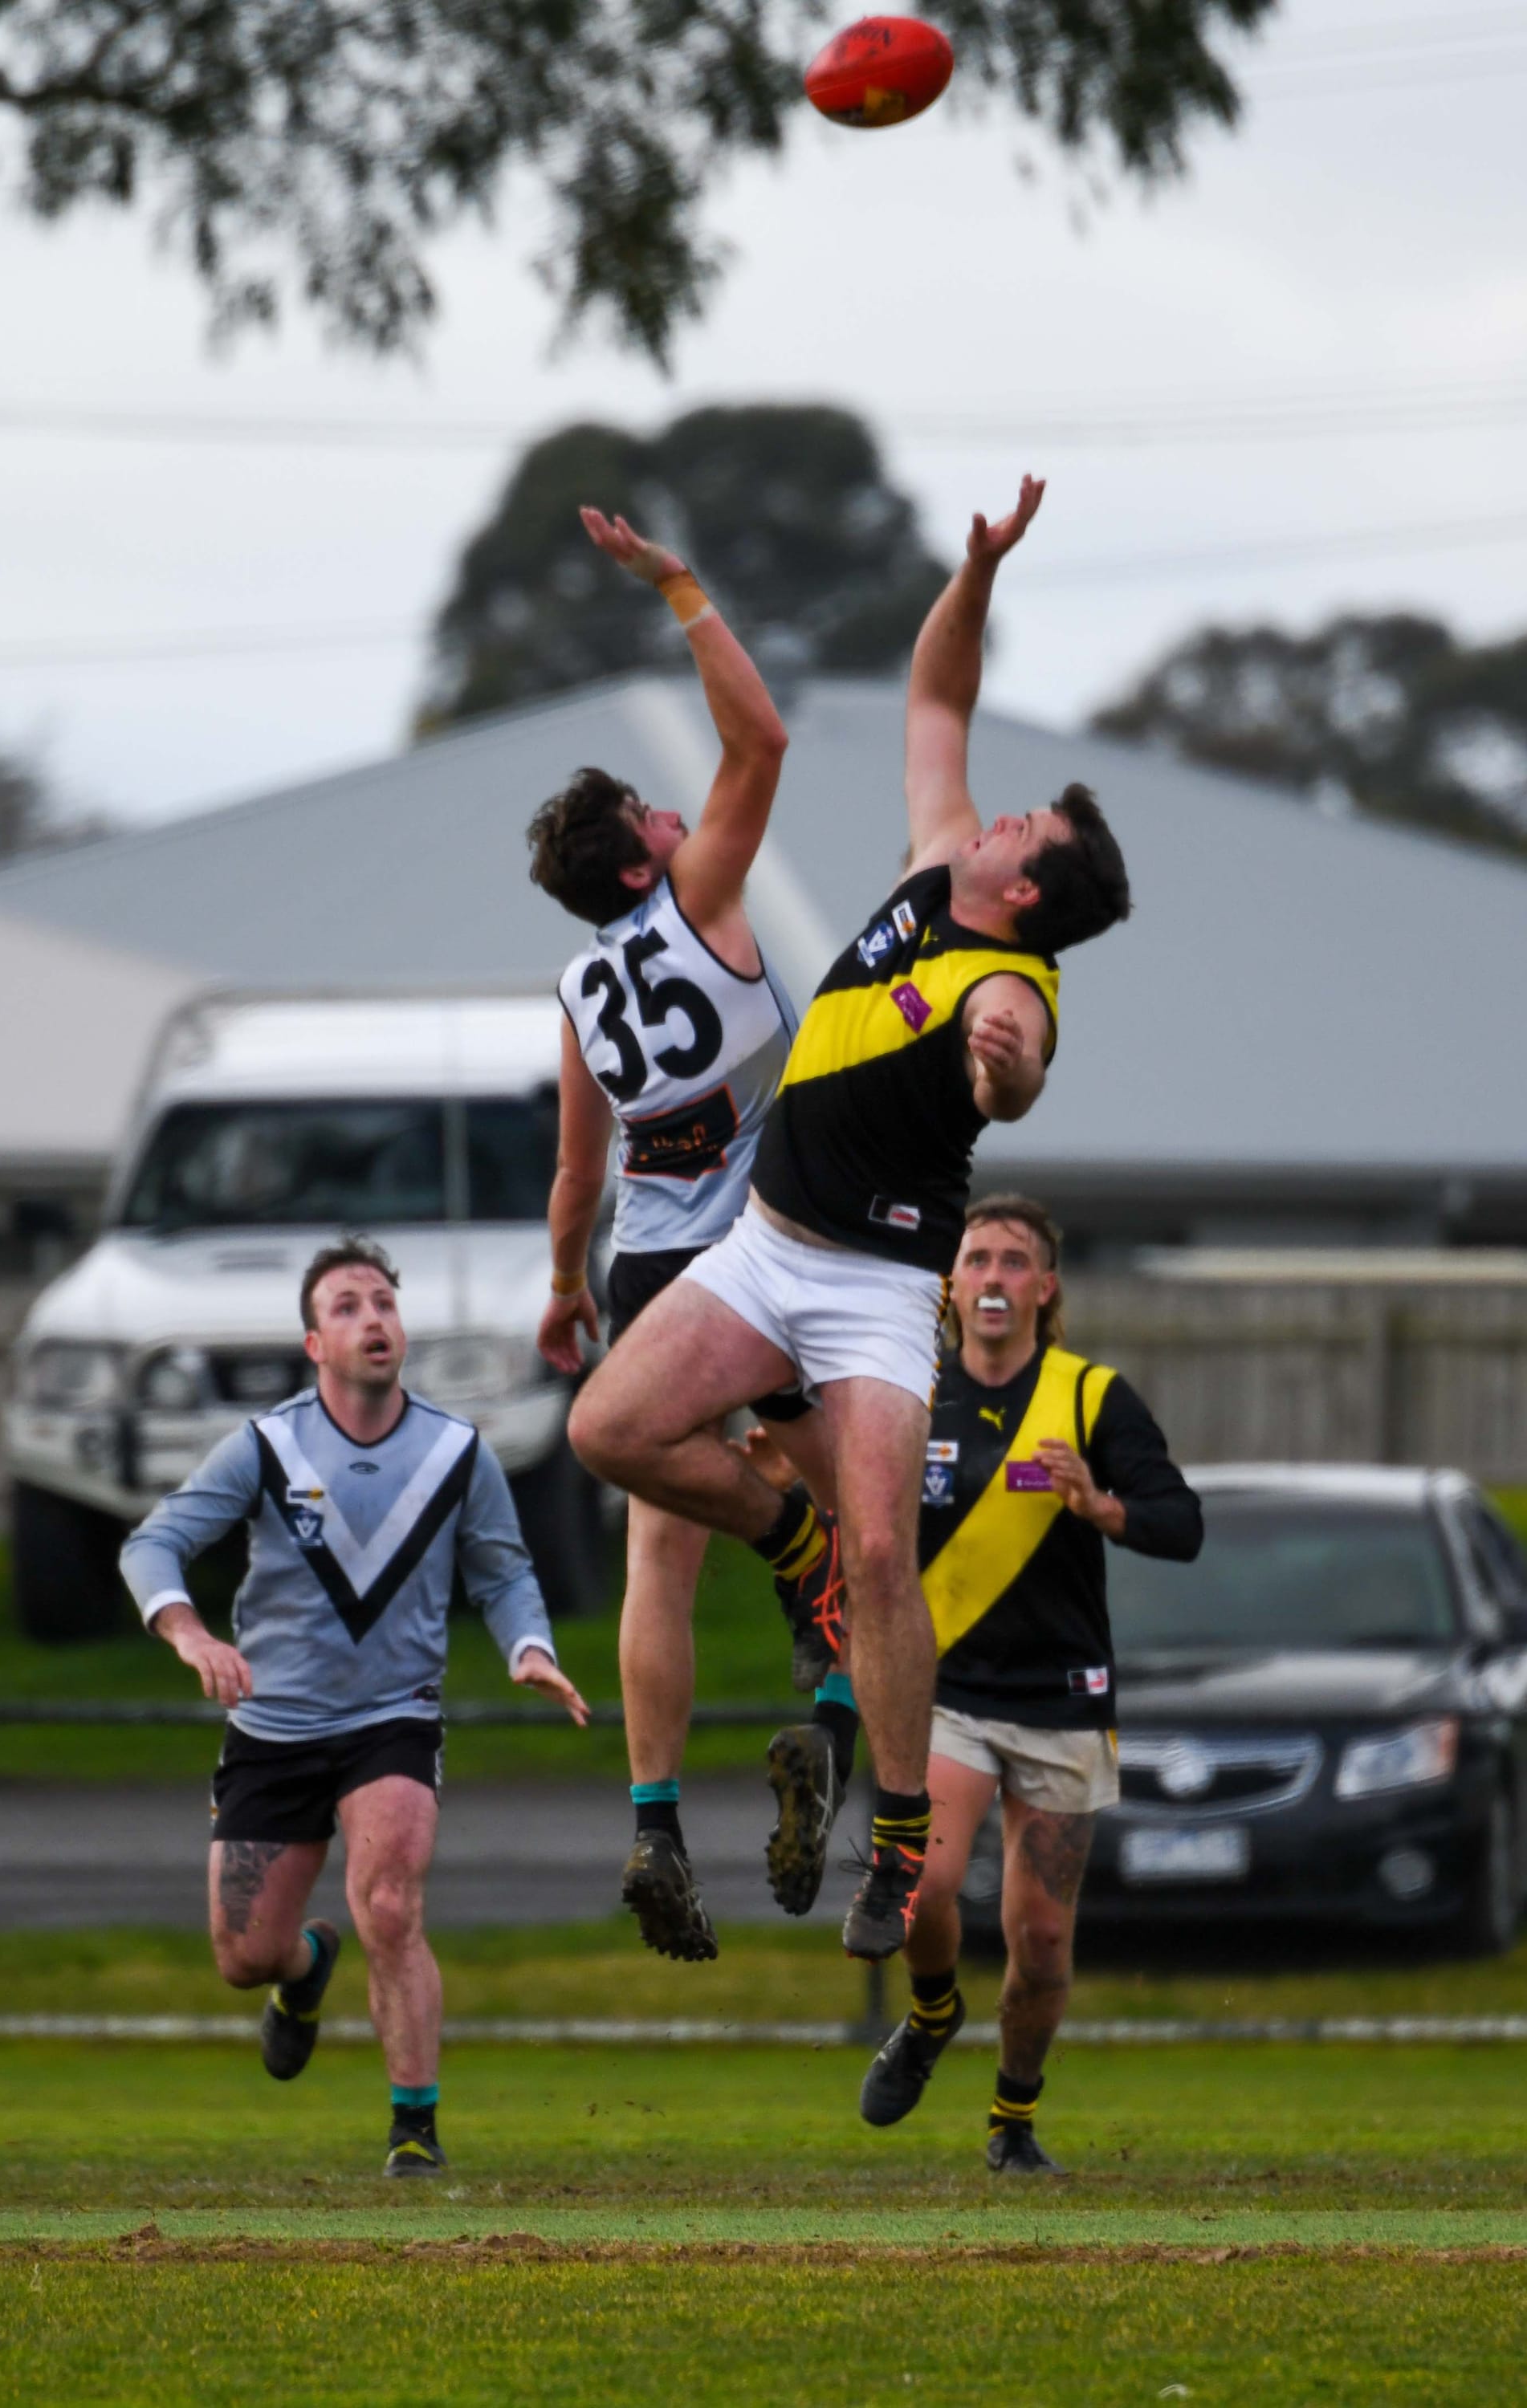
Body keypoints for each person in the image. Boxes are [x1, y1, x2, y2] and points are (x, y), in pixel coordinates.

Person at [569, 474, 1133, 1963]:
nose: (1000, 814)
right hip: (761, 1249)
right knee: (608, 1432)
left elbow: (1013, 1079)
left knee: (887, 1554)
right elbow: (938, 695)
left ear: (1031, 891)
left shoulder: (1013, 984)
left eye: (1027, 825)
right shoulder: (941, 861)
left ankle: (895, 1841)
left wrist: (1003, 1072)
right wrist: (979, 571)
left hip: (880, 1282)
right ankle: (785, 1532)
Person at [529, 503, 845, 1967]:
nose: (681, 814)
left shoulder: (579, 991)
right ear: (643, 867)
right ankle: (829, 1722)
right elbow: (761, 741)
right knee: (853, 1524)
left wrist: (561, 1289)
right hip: (763, 1257)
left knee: (661, 1554)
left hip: (648, 1270)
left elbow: (575, 1176)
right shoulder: (703, 899)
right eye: (658, 815)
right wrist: (679, 587)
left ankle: (654, 1823)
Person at [120, 1235, 588, 2178]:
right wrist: (190, 1635)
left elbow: (503, 1574)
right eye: (347, 1307)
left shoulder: (455, 1452)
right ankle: (303, 1970)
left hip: (392, 1721)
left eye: (383, 1302)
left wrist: (529, 1648)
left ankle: (414, 2128)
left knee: (388, 1905)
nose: (373, 1319)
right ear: (314, 1345)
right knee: (244, 1955)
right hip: (273, 1727)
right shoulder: (266, 1447)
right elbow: (152, 1545)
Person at [856, 1194, 1202, 2173]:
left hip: (1060, 1699)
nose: (993, 1278)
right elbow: (853, 1518)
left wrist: (1099, 1504)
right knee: (920, 1888)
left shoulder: (1089, 1397)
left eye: (1014, 1261)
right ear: (950, 1285)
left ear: (1044, 1288)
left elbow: (1181, 1524)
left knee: (1040, 1940)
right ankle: (931, 2014)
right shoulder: (910, 1392)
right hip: (945, 1694)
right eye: (976, 1260)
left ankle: (1011, 2120)